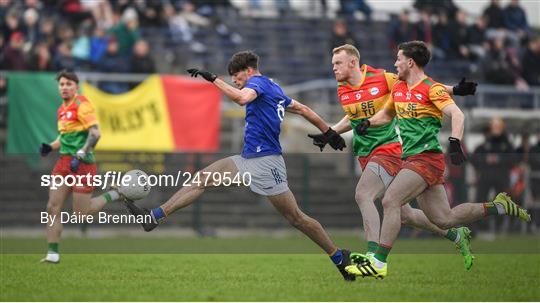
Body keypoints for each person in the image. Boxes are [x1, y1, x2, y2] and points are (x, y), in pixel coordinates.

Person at [124, 51, 358, 281]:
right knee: (202, 178)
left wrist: (214, 79)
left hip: (266, 163)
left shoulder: (257, 84)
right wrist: (329, 131)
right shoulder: (273, 88)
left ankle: (338, 257)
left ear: (248, 71)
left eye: (236, 76)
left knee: (296, 218)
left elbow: (241, 98)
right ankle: (154, 216)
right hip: (249, 159)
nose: (234, 81)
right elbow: (303, 109)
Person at [345, 41, 531, 279]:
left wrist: (455, 142)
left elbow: (457, 114)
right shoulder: (400, 87)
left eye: (399, 59)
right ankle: (499, 206)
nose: (395, 63)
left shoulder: (431, 88)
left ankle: (378, 262)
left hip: (426, 158)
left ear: (410, 62)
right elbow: (386, 114)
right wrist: (368, 122)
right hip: (411, 159)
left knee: (391, 201)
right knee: (445, 219)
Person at [308, 44, 477, 270]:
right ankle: (455, 235)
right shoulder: (342, 88)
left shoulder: (383, 78)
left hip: (389, 150)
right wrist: (330, 133)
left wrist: (454, 89)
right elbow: (353, 117)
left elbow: (419, 86)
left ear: (352, 63)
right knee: (404, 214)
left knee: (363, 194)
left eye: (337, 63)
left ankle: (372, 256)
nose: (333, 68)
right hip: (365, 154)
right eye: (332, 64)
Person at [39, 70, 124, 263]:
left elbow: (95, 133)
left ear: (76, 87)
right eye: (61, 84)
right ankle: (52, 254)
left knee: (81, 215)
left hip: (83, 164)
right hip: (63, 163)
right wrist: (50, 146)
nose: (64, 87)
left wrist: (82, 152)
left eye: (69, 84)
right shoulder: (62, 109)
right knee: (52, 207)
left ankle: (114, 194)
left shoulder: (82, 104)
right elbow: (64, 137)